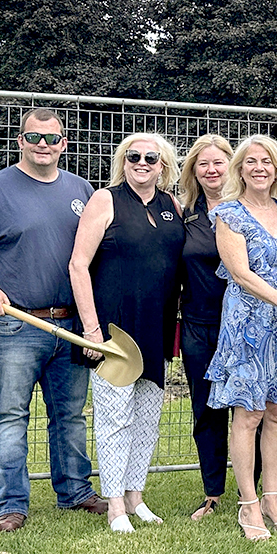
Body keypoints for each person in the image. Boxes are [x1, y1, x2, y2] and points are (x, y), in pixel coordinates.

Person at [0, 108, 106, 532]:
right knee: (10, 415)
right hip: (15, 324)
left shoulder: (81, 189)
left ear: (64, 143)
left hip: (69, 324)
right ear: (21, 141)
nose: (43, 146)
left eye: (52, 139)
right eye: (34, 137)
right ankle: (11, 504)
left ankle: (75, 491)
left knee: (70, 414)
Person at [69, 133, 184, 533]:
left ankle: (136, 496)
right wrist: (91, 330)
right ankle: (115, 503)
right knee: (115, 417)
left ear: (162, 164)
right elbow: (78, 265)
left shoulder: (172, 204)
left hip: (157, 326)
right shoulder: (105, 200)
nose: (141, 163)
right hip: (115, 331)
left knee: (147, 417)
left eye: (150, 157)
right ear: (124, 161)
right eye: (133, 156)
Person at [204, 135, 277, 541]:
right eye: (251, 162)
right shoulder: (229, 214)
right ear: (240, 169)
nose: (259, 167)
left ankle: (272, 498)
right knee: (248, 414)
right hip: (248, 324)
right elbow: (242, 274)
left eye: (267, 161)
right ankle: (248, 505)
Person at [179, 134, 238, 521]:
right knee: (207, 409)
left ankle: (257, 491)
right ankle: (213, 492)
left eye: (218, 162)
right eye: (203, 164)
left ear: (230, 166)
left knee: (253, 411)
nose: (211, 170)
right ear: (193, 171)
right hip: (199, 326)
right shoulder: (182, 214)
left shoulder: (249, 208)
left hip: (246, 325)